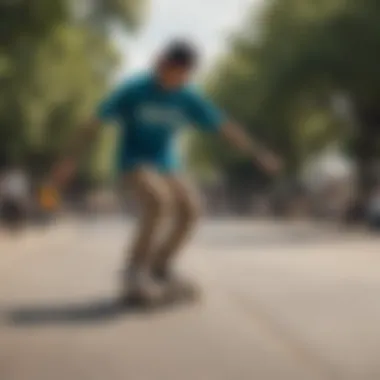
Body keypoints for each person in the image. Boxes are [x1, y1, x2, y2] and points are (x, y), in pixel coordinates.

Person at [53, 40, 282, 303]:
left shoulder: (187, 96)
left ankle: (160, 267)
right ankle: (135, 270)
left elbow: (224, 127)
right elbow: (93, 123)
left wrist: (258, 153)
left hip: (167, 164)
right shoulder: (134, 90)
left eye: (182, 76)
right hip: (134, 162)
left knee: (191, 208)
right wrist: (68, 159)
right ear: (162, 64)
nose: (174, 81)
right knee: (159, 200)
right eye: (170, 72)